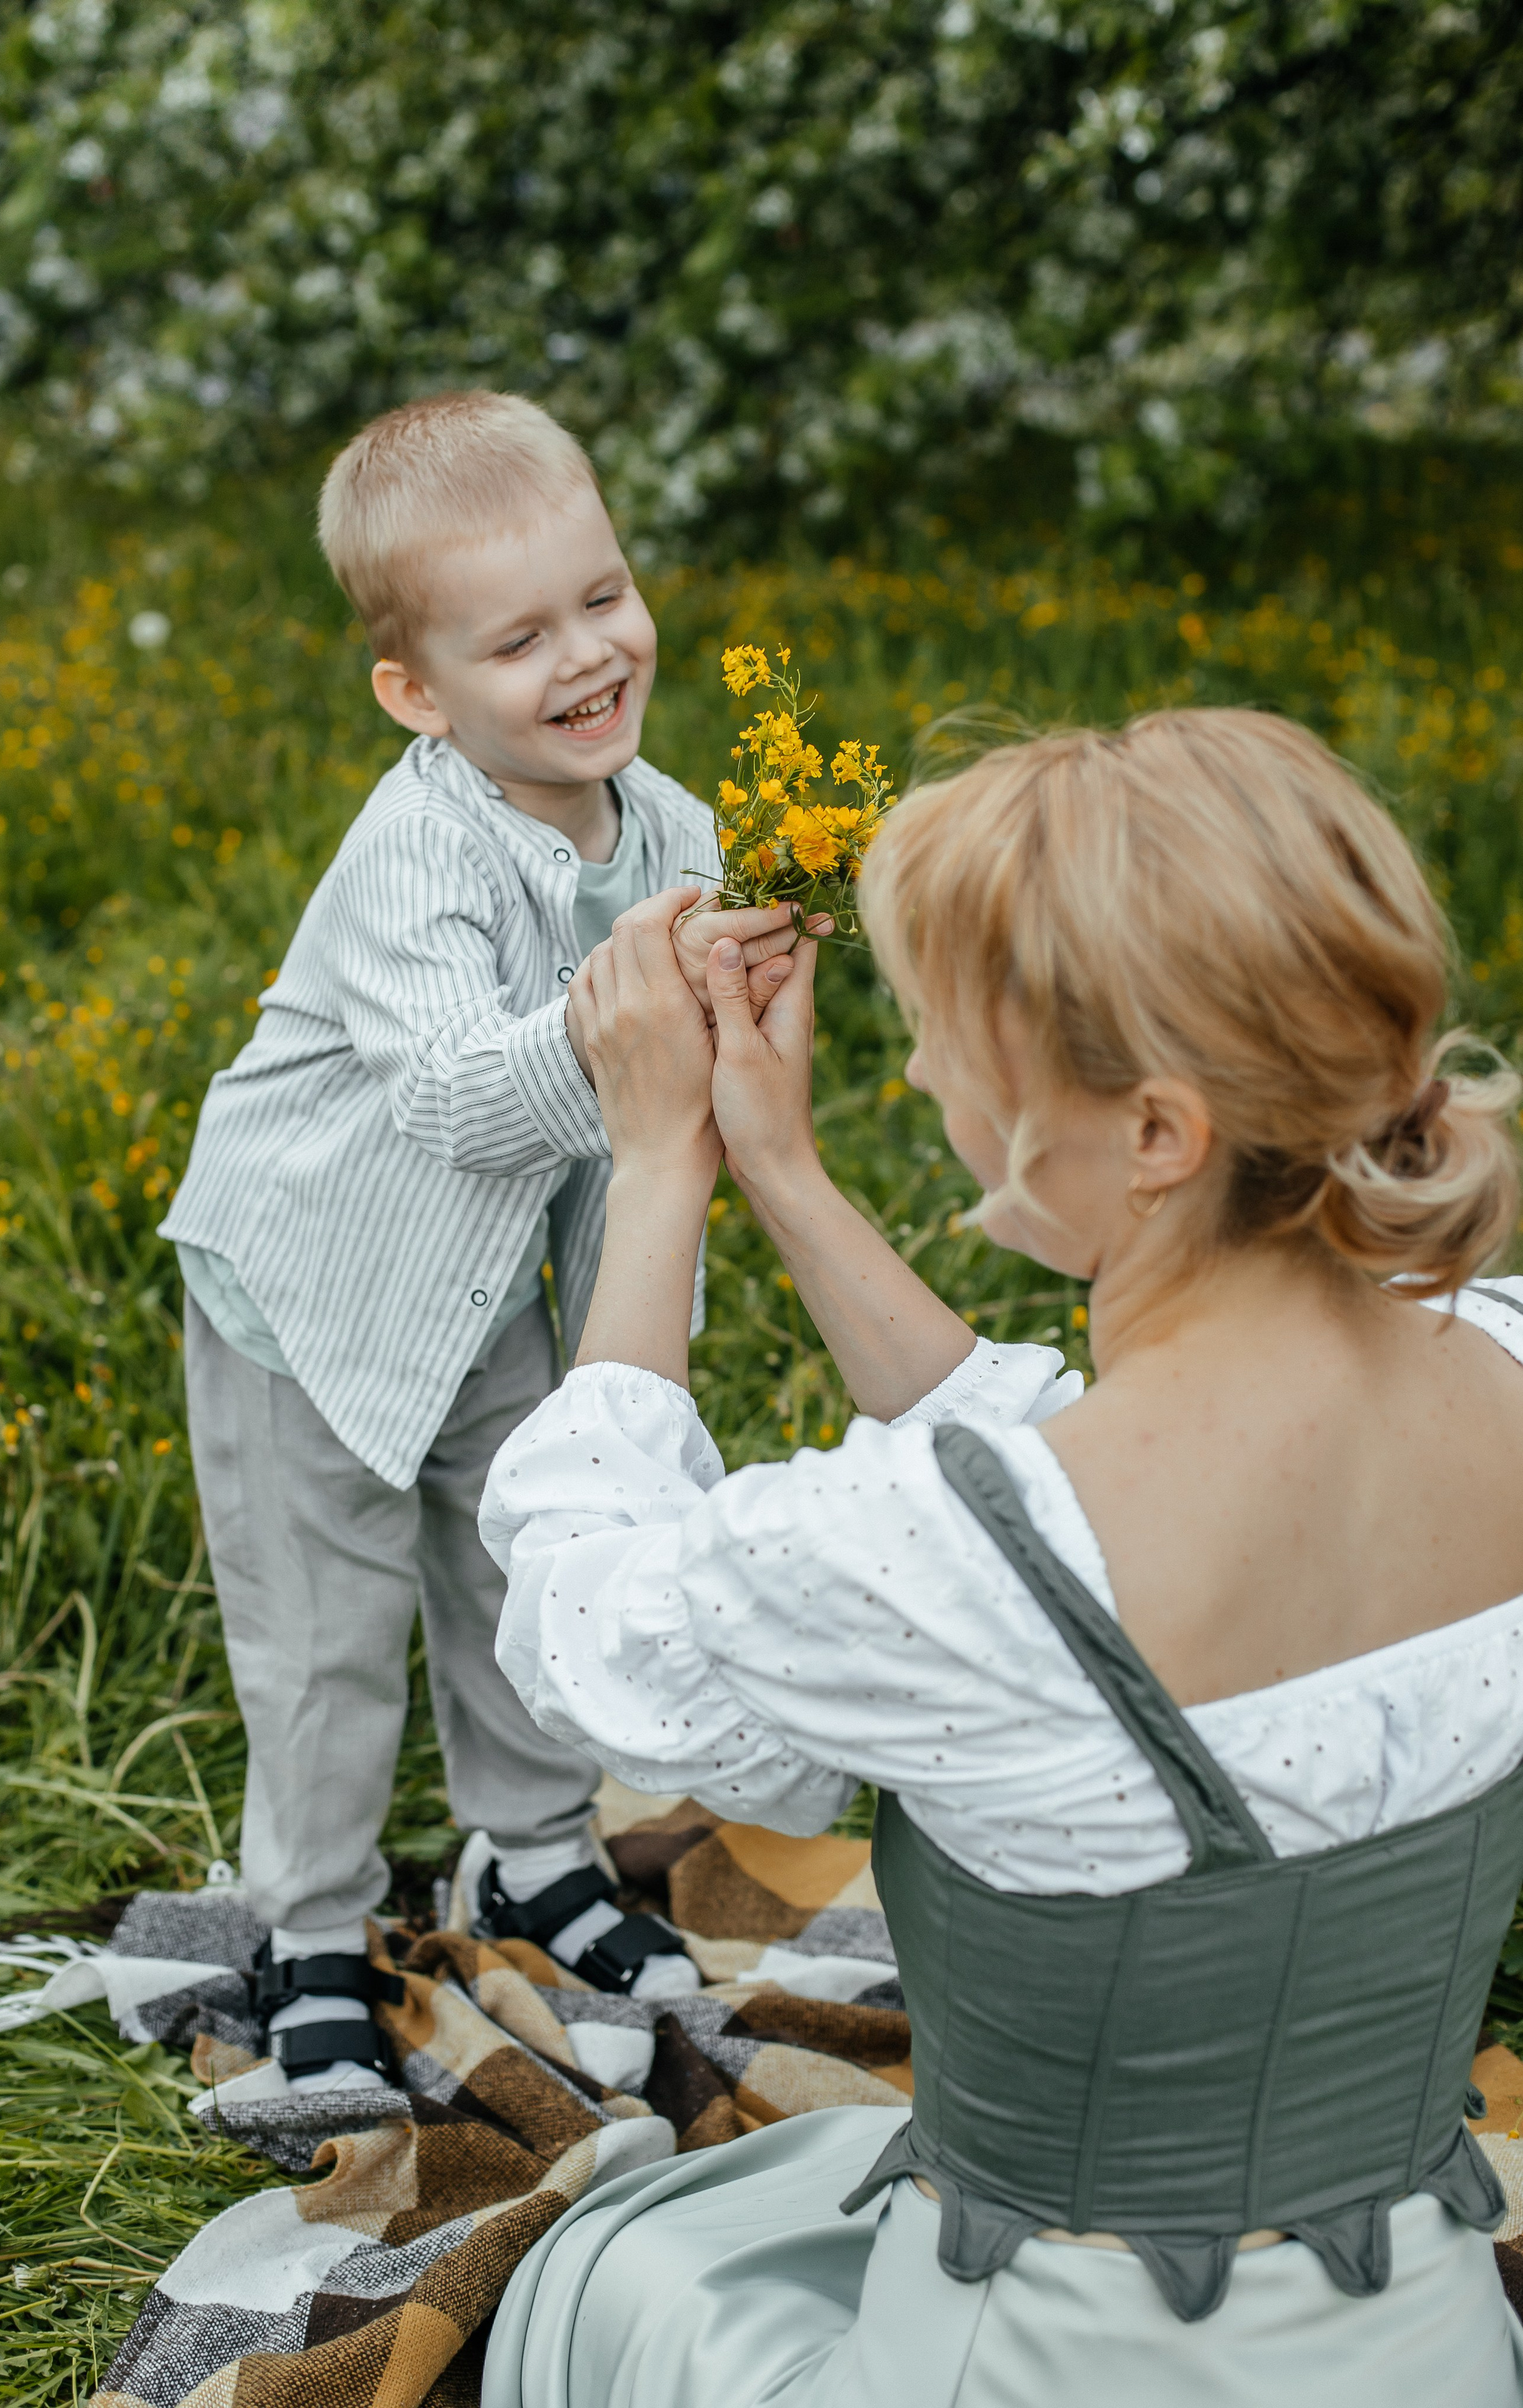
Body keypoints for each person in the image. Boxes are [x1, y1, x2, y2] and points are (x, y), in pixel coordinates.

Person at [477, 707, 1523, 2406]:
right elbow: (1068, 1456)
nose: (916, 1075)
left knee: (623, 2274)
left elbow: (584, 1609)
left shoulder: (948, 1566)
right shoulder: (1497, 1358)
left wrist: (654, 1165)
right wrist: (787, 1172)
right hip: (1425, 2345)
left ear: (1161, 1135)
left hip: (1042, 2367)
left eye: (961, 1039)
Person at [160, 389, 801, 2085]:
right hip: (306, 1292)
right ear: (417, 694)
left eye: (602, 599)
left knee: (524, 1560)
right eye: (518, 640)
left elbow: (625, 1148)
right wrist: (636, 1016)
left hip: (477, 1282)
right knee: (325, 1636)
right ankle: (306, 1921)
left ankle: (531, 1851)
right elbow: (462, 1100)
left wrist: (616, 1370)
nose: (587, 655)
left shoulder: (663, 834)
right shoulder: (415, 858)